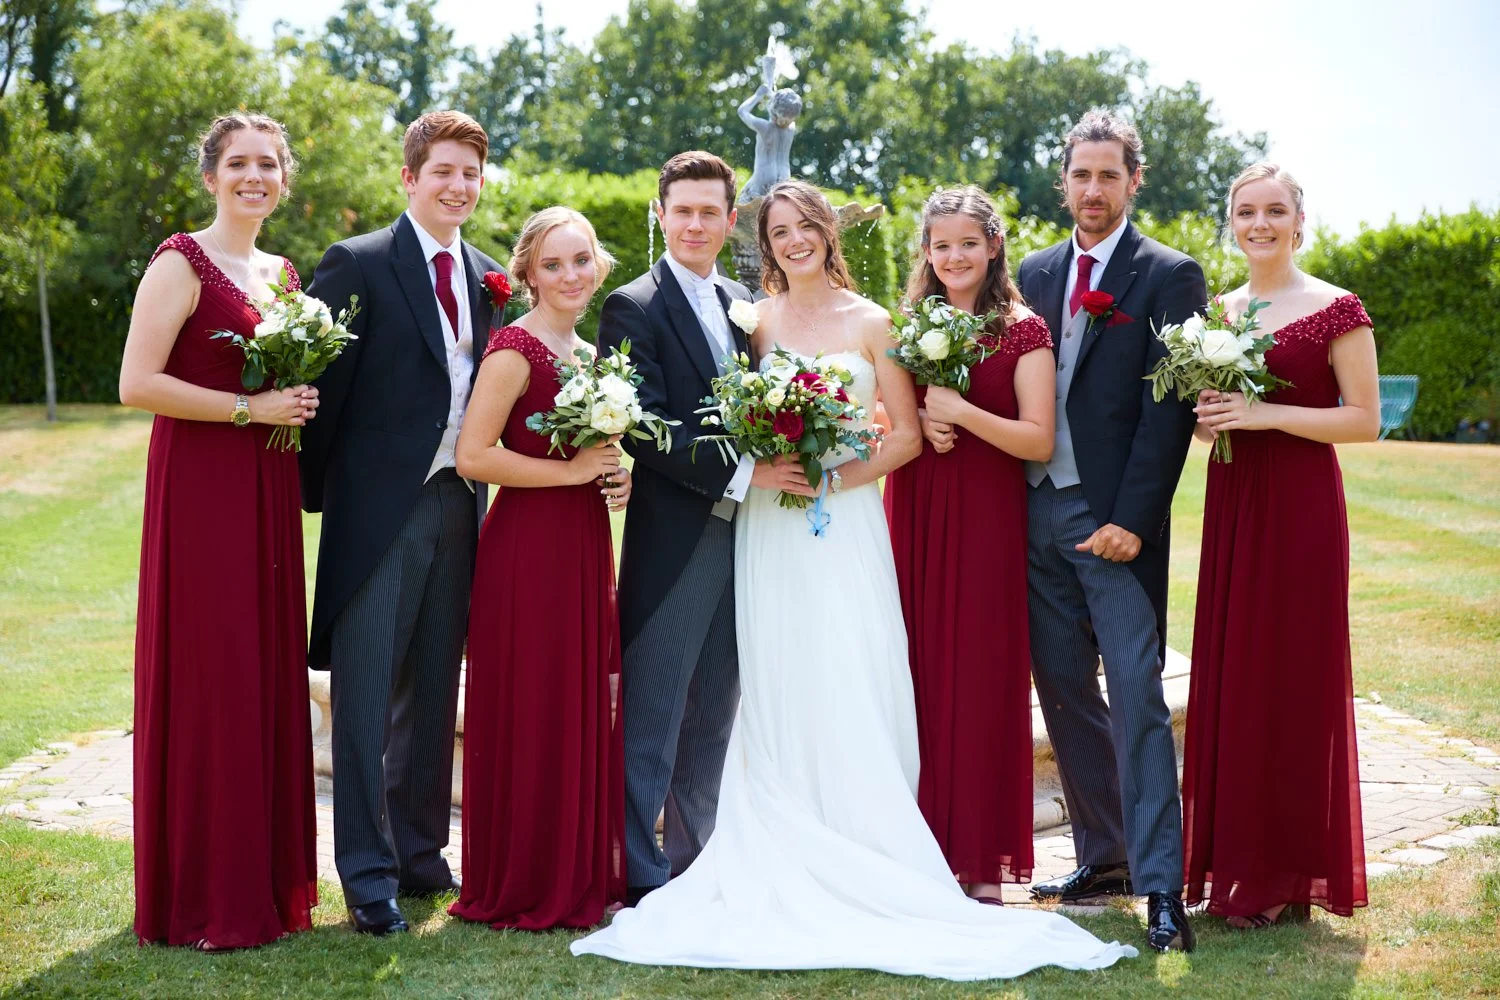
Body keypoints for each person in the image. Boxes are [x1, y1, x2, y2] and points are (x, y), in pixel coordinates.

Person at [570, 181, 1137, 980]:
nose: (795, 241)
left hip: (844, 525)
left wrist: (834, 479)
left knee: (849, 671)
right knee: (768, 683)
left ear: (828, 234)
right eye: (780, 231)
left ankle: (867, 839)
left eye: (806, 227)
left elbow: (904, 436)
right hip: (765, 527)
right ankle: (753, 838)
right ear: (763, 242)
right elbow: (716, 419)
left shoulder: (875, 322)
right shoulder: (751, 321)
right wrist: (767, 470)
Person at [298, 110, 505, 935]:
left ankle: (422, 855)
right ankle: (368, 876)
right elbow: (322, 396)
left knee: (431, 687)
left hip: (461, 503)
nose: (458, 186)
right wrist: (334, 499)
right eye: (443, 171)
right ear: (410, 179)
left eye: (470, 174)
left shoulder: (490, 274)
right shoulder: (359, 263)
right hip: (378, 513)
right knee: (365, 695)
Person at [120, 112, 318, 950]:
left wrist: (296, 402)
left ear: (283, 179)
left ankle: (266, 883)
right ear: (211, 176)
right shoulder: (181, 261)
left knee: (265, 670)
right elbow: (136, 383)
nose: (254, 177)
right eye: (238, 163)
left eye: (268, 164)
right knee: (216, 670)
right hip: (202, 492)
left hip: (267, 488)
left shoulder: (282, 273)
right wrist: (250, 409)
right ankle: (203, 891)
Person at [1018, 109, 1206, 954]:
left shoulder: (1169, 274)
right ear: (1064, 182)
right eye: (1079, 174)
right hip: (1033, 509)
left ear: (1134, 181)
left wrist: (1134, 519)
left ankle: (1162, 887)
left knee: (1136, 698)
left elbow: (1167, 411)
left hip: (1115, 520)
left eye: (1107, 175)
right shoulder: (1032, 269)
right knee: (1062, 691)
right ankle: (1107, 857)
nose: (1092, 189)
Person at [1182, 163, 1378, 928]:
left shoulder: (1337, 308)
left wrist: (1265, 415)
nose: (1258, 224)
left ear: (1300, 220)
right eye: (1244, 212)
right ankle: (1236, 864)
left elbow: (1364, 420)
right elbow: (1210, 425)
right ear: (1230, 221)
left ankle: (1293, 872)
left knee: (1293, 671)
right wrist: (1211, 416)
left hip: (1300, 508)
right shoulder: (1219, 312)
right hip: (1235, 503)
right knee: (1237, 672)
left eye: (1273, 211)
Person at [599, 151, 795, 908]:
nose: (695, 224)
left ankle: (696, 856)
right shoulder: (633, 306)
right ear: (660, 214)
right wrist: (746, 475)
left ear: (729, 218)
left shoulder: (746, 302)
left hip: (750, 539)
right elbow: (642, 426)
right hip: (677, 537)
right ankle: (633, 864)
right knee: (653, 706)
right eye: (682, 210)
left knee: (715, 708)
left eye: (710, 211)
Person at [448, 207, 631, 929]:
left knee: (577, 700)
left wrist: (616, 479)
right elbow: (474, 457)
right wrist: (574, 472)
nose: (570, 275)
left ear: (599, 265)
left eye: (580, 260)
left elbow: (593, 459)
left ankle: (574, 866)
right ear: (526, 273)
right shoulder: (514, 349)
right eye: (552, 264)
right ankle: (522, 877)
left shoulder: (590, 355)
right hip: (526, 553)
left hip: (584, 544)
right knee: (532, 706)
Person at [884, 186, 1055, 904]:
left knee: (982, 676)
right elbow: (883, 414)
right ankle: (915, 851)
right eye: (941, 245)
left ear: (993, 248)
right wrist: (924, 418)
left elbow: (1037, 440)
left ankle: (982, 864)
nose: (954, 257)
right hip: (916, 511)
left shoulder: (1025, 330)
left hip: (987, 517)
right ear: (925, 252)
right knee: (912, 672)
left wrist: (961, 412)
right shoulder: (907, 325)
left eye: (967, 244)